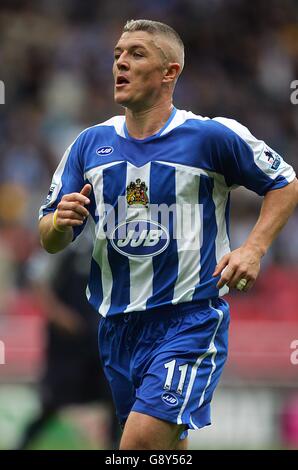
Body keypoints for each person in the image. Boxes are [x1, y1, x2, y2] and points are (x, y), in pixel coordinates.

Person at [39, 19, 298, 450]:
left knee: (138, 445)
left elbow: (285, 182)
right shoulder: (89, 144)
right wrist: (57, 223)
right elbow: (49, 238)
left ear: (170, 72)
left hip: (188, 319)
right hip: (116, 326)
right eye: (118, 53)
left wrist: (254, 248)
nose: (121, 61)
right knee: (164, 449)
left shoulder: (211, 136)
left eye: (137, 53)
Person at [17, 234, 120, 450]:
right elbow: (37, 280)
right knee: (52, 403)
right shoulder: (62, 237)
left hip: (100, 338)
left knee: (114, 397)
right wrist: (60, 316)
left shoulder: (111, 237)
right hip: (66, 344)